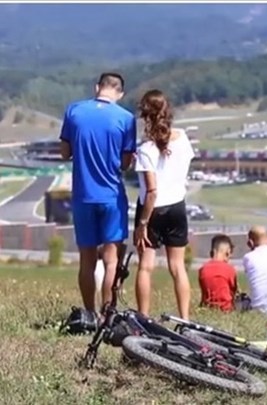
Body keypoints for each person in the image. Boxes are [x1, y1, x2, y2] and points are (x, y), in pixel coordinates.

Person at [59, 72, 136, 315]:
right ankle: (107, 314)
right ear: (120, 93)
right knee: (111, 259)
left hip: (83, 195)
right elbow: (125, 163)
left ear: (97, 88)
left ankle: (89, 312)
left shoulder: (74, 111)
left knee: (87, 260)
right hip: (112, 195)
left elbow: (64, 152)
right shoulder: (126, 118)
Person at [133, 89, 195, 320]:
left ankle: (143, 317)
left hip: (152, 210)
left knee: (146, 266)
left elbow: (152, 191)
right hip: (177, 205)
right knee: (177, 267)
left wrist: (142, 223)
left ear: (145, 115)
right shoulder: (183, 138)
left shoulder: (145, 149)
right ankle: (185, 318)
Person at [198, 234, 238, 312]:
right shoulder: (230, 269)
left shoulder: (202, 269)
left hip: (208, 308)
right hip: (226, 309)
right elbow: (233, 292)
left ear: (211, 252)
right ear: (227, 253)